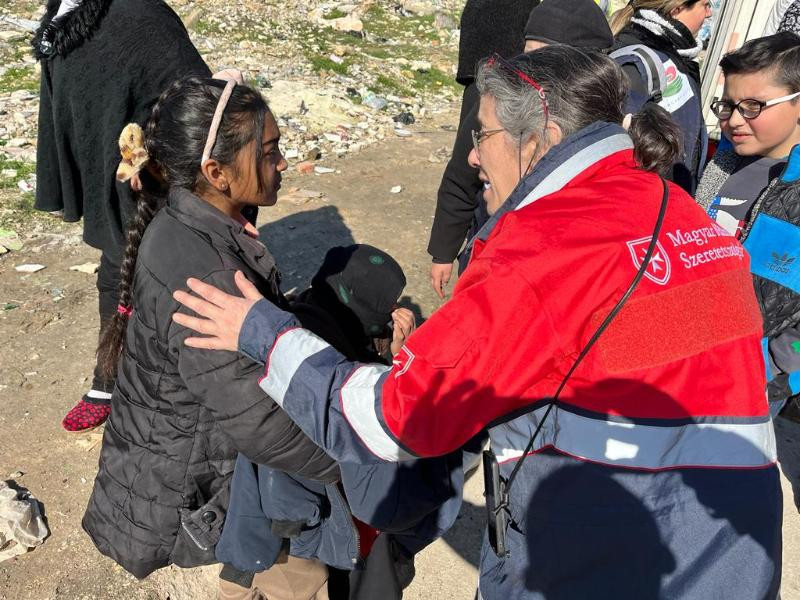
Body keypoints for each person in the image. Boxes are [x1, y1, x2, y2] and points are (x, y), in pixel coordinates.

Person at [173, 46, 781, 599]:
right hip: (732, 556)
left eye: (481, 134)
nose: (471, 155)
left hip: (602, 566)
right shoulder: (678, 210)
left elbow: (390, 420)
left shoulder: (542, 252)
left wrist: (264, 333)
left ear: (539, 138)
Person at [81, 74, 339, 583]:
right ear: (216, 172)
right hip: (191, 482)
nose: (283, 163)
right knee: (295, 577)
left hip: (176, 461)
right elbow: (263, 425)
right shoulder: (207, 275)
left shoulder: (186, 222)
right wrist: (352, 458)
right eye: (270, 152)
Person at [218, 245, 463, 600]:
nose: (396, 312)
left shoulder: (290, 334)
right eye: (389, 305)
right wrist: (405, 368)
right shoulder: (341, 381)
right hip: (307, 543)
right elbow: (383, 497)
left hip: (266, 527)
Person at [31, 0, 210, 432]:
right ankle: (109, 378)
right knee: (116, 267)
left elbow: (195, 94)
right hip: (106, 167)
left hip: (155, 177)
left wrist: (152, 154)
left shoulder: (142, 15)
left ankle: (178, 385)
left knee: (173, 274)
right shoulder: (63, 14)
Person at [428, 0, 615, 298]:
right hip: (490, 251)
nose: (527, 72)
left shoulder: (607, 124)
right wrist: (443, 252)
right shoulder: (497, 99)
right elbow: (461, 176)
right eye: (527, 56)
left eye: (542, 61)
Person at [696, 32, 800, 422]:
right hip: (686, 361)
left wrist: (774, 368)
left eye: (753, 106)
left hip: (750, 387)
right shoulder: (723, 164)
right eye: (727, 105)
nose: (734, 120)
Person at [610, 0, 712, 194]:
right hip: (645, 199)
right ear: (676, 9)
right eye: (705, 5)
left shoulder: (674, 55)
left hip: (666, 199)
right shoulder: (638, 62)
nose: (709, 14)